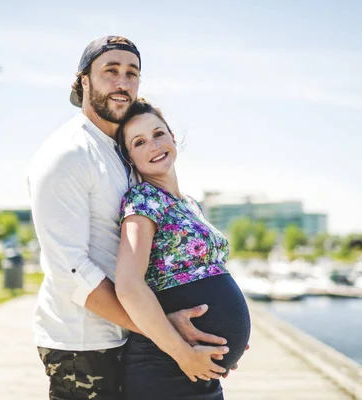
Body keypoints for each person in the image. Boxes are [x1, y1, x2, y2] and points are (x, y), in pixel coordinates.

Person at [28, 36, 231, 400]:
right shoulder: (67, 154)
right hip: (84, 343)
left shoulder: (121, 152)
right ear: (84, 81)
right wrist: (166, 334)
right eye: (111, 71)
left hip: (131, 337)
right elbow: (70, 271)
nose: (123, 82)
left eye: (132, 73)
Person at [115, 99, 252, 400]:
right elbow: (128, 286)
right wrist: (182, 353)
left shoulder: (191, 204)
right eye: (139, 142)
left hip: (200, 369)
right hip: (166, 365)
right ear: (130, 158)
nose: (153, 145)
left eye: (158, 133)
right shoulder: (142, 200)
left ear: (172, 137)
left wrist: (232, 341)